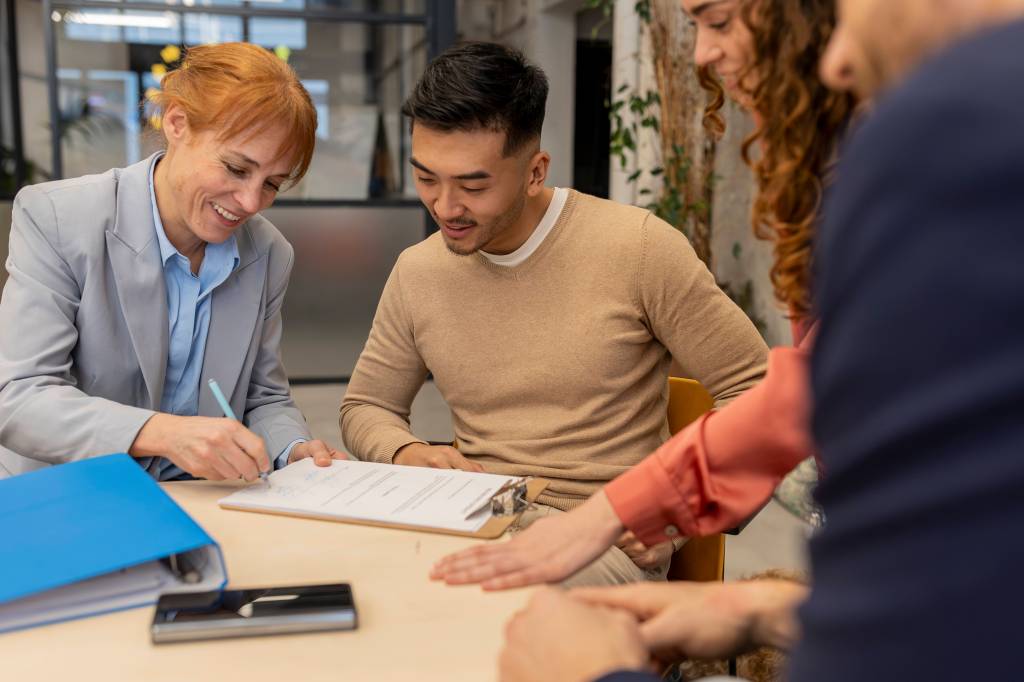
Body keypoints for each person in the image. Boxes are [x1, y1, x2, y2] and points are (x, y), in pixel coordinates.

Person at [497, 0, 1024, 680]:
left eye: (719, 21)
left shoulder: (956, 137)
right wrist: (779, 607)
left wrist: (594, 671)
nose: (700, 57)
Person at [432, 0, 854, 590]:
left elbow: (791, 394)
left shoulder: (907, 165)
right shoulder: (825, 171)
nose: (702, 53)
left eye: (720, 21)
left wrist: (625, 513)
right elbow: (814, 385)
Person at [340, 41, 769, 587]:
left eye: (473, 185)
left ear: (535, 171)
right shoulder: (418, 272)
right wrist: (404, 449)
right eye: (426, 178)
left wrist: (679, 511)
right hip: (470, 515)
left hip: (601, 539)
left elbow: (757, 393)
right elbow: (367, 404)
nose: (445, 207)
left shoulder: (637, 248)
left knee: (485, 621)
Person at [0, 42, 344, 481]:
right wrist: (162, 433)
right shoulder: (59, 218)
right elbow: (20, 397)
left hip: (200, 498)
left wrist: (291, 449)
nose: (251, 202)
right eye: (237, 169)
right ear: (177, 122)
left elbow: (263, 398)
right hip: (72, 493)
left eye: (272, 183)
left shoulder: (268, 254)